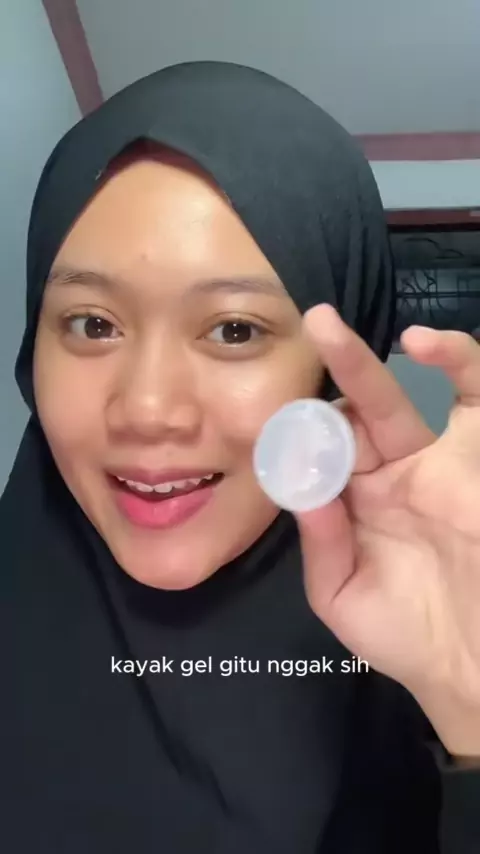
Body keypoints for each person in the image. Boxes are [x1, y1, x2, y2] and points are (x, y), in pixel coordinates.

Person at [1, 61, 478, 854]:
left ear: (330, 372)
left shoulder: (411, 640)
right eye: (92, 324)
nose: (147, 409)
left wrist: (469, 705)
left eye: (233, 329)